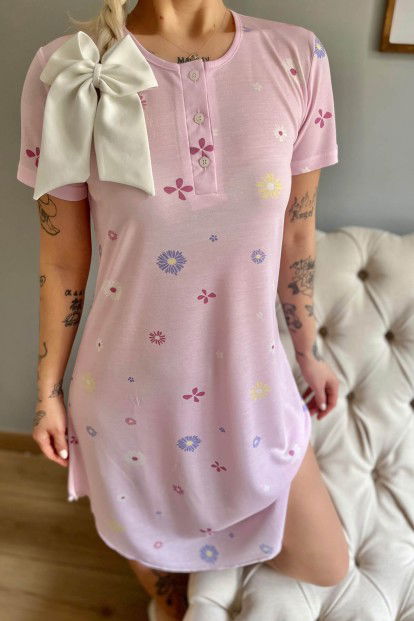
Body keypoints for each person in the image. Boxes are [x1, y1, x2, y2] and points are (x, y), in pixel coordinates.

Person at [16, 0, 349, 619]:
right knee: (170, 594)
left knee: (326, 563)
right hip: (127, 395)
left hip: (251, 385)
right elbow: (62, 261)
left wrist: (308, 353)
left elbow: (297, 233)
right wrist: (47, 392)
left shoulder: (297, 56)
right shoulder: (64, 70)